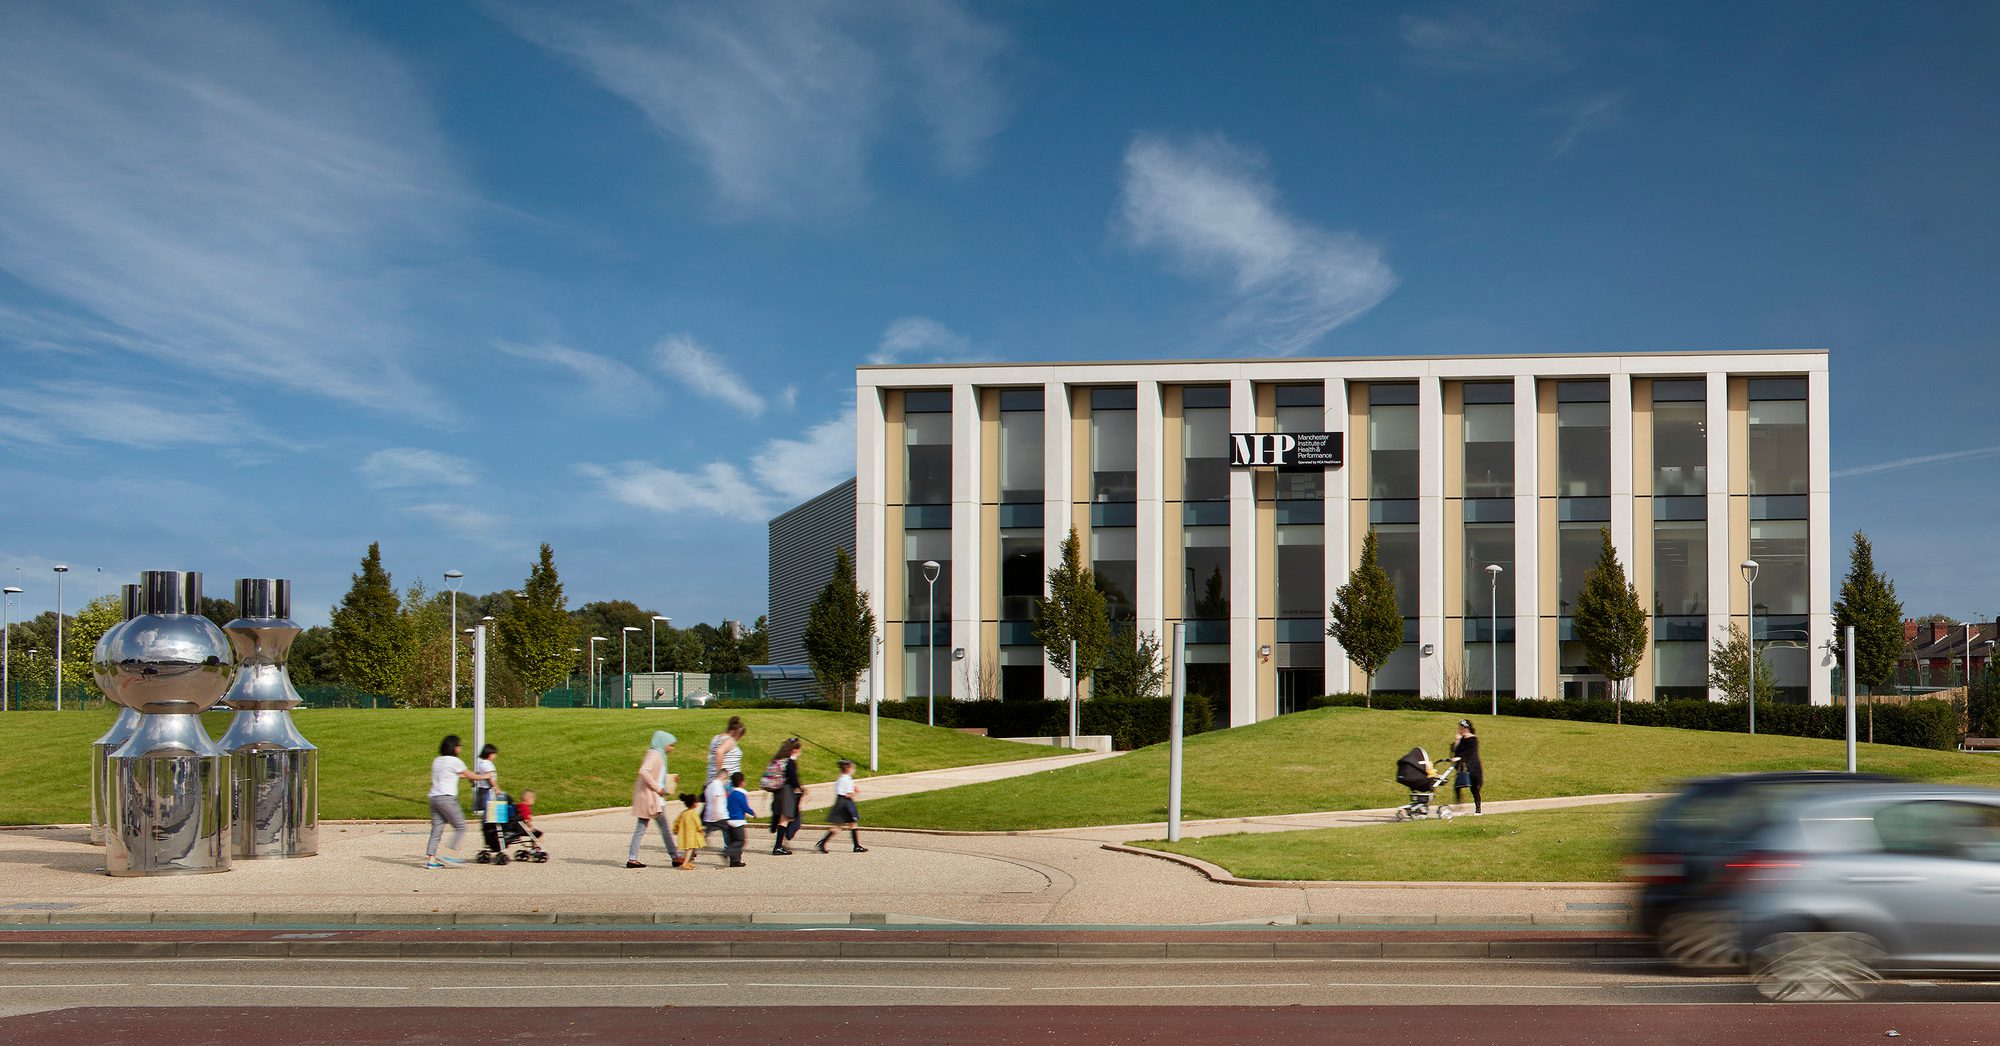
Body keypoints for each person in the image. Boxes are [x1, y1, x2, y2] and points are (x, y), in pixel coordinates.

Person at [426, 734, 492, 869]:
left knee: (437, 829)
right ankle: (449, 854)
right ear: (454, 747)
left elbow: (450, 774)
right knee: (460, 826)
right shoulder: (455, 761)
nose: (460, 748)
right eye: (459, 746)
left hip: (434, 798)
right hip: (447, 798)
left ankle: (431, 860)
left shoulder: (437, 761)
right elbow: (471, 775)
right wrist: (486, 776)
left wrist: (463, 776)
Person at [628, 731, 684, 869]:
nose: (672, 748)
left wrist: (670, 779)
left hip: (652, 798)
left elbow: (657, 774)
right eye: (671, 745)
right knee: (664, 828)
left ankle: (632, 858)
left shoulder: (658, 755)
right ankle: (675, 857)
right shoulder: (655, 754)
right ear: (663, 743)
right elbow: (644, 771)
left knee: (642, 827)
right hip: (653, 799)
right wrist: (658, 789)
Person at [816, 759, 869, 854]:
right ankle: (855, 845)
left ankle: (824, 842)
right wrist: (855, 792)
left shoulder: (841, 778)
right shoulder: (847, 779)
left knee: (845, 824)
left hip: (840, 801)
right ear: (848, 769)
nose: (854, 770)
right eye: (853, 768)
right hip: (846, 802)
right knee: (847, 824)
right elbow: (849, 794)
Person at [764, 737, 805, 855]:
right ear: (794, 750)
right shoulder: (790, 762)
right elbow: (794, 780)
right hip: (787, 791)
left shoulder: (778, 760)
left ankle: (777, 837)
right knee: (785, 819)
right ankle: (778, 846)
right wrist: (801, 789)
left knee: (781, 816)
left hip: (777, 791)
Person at [1449, 719, 1484, 815]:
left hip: (1474, 768)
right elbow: (1455, 751)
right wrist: (1457, 740)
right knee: (1457, 786)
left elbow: (1471, 752)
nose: (1460, 729)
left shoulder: (1473, 739)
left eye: (1462, 727)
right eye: (1460, 727)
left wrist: (1460, 757)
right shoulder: (1461, 739)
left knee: (1474, 789)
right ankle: (1459, 806)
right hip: (1463, 768)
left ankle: (1478, 810)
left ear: (1467, 728)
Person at [723, 770, 753, 868]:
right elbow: (745, 807)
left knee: (733, 840)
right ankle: (728, 851)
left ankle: (735, 860)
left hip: (729, 820)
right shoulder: (741, 794)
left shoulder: (730, 794)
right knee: (740, 841)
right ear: (741, 782)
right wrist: (752, 813)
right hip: (738, 821)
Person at [706, 716, 747, 786]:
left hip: (712, 780)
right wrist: (721, 776)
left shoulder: (716, 738)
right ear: (735, 732)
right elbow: (719, 751)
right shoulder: (729, 741)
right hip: (726, 783)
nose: (739, 739)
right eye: (740, 736)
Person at [702, 771, 730, 866]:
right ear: (723, 778)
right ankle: (727, 852)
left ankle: (694, 846)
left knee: (707, 832)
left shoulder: (710, 785)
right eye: (726, 780)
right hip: (719, 815)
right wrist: (716, 814)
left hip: (710, 815)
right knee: (730, 832)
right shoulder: (718, 786)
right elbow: (716, 799)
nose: (726, 782)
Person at [672, 793, 704, 868]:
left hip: (684, 835)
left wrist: (675, 830)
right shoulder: (693, 814)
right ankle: (685, 863)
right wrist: (701, 830)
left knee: (688, 850)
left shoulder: (683, 813)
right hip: (691, 836)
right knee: (689, 850)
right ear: (693, 804)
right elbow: (698, 823)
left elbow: (676, 822)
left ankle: (688, 862)